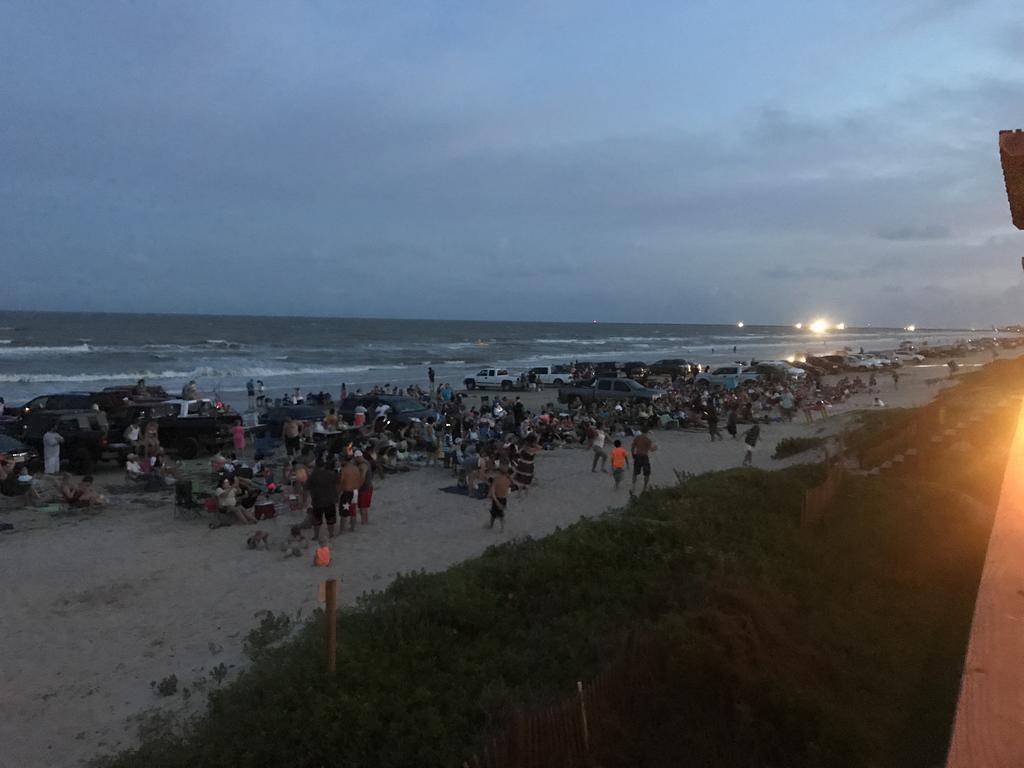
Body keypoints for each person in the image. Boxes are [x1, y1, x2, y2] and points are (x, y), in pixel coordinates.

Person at [307, 459, 339, 540]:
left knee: (317, 521)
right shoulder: (330, 474)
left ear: (316, 466)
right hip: (330, 500)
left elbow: (306, 487)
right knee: (330, 519)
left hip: (317, 501)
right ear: (324, 465)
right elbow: (337, 483)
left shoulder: (313, 476)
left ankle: (316, 536)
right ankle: (331, 534)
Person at [338, 456, 362, 532]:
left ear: (344, 461)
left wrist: (338, 493)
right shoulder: (356, 468)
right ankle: (352, 528)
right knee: (353, 511)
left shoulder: (344, 470)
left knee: (344, 512)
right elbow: (359, 479)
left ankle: (342, 530)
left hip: (347, 492)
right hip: (355, 491)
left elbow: (341, 482)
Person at [630, 427, 656, 494]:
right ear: (647, 432)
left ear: (641, 431)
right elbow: (651, 449)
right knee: (647, 473)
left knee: (635, 472)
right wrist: (656, 448)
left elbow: (632, 447)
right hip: (644, 456)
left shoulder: (637, 438)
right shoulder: (648, 440)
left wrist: (633, 455)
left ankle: (633, 487)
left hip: (638, 456)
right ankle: (644, 487)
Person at [488, 466, 510, 532]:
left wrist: (497, 502)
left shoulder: (496, 480)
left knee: (495, 514)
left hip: (497, 499)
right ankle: (501, 528)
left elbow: (492, 493)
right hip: (504, 499)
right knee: (499, 514)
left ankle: (494, 527)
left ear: (499, 472)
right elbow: (507, 492)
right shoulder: (507, 480)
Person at [355, 450, 374, 524]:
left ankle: (364, 521)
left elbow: (362, 477)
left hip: (365, 488)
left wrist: (358, 487)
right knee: (364, 507)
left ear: (358, 457)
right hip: (368, 487)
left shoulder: (363, 465)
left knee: (363, 507)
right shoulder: (367, 462)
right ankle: (365, 521)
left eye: (356, 458)